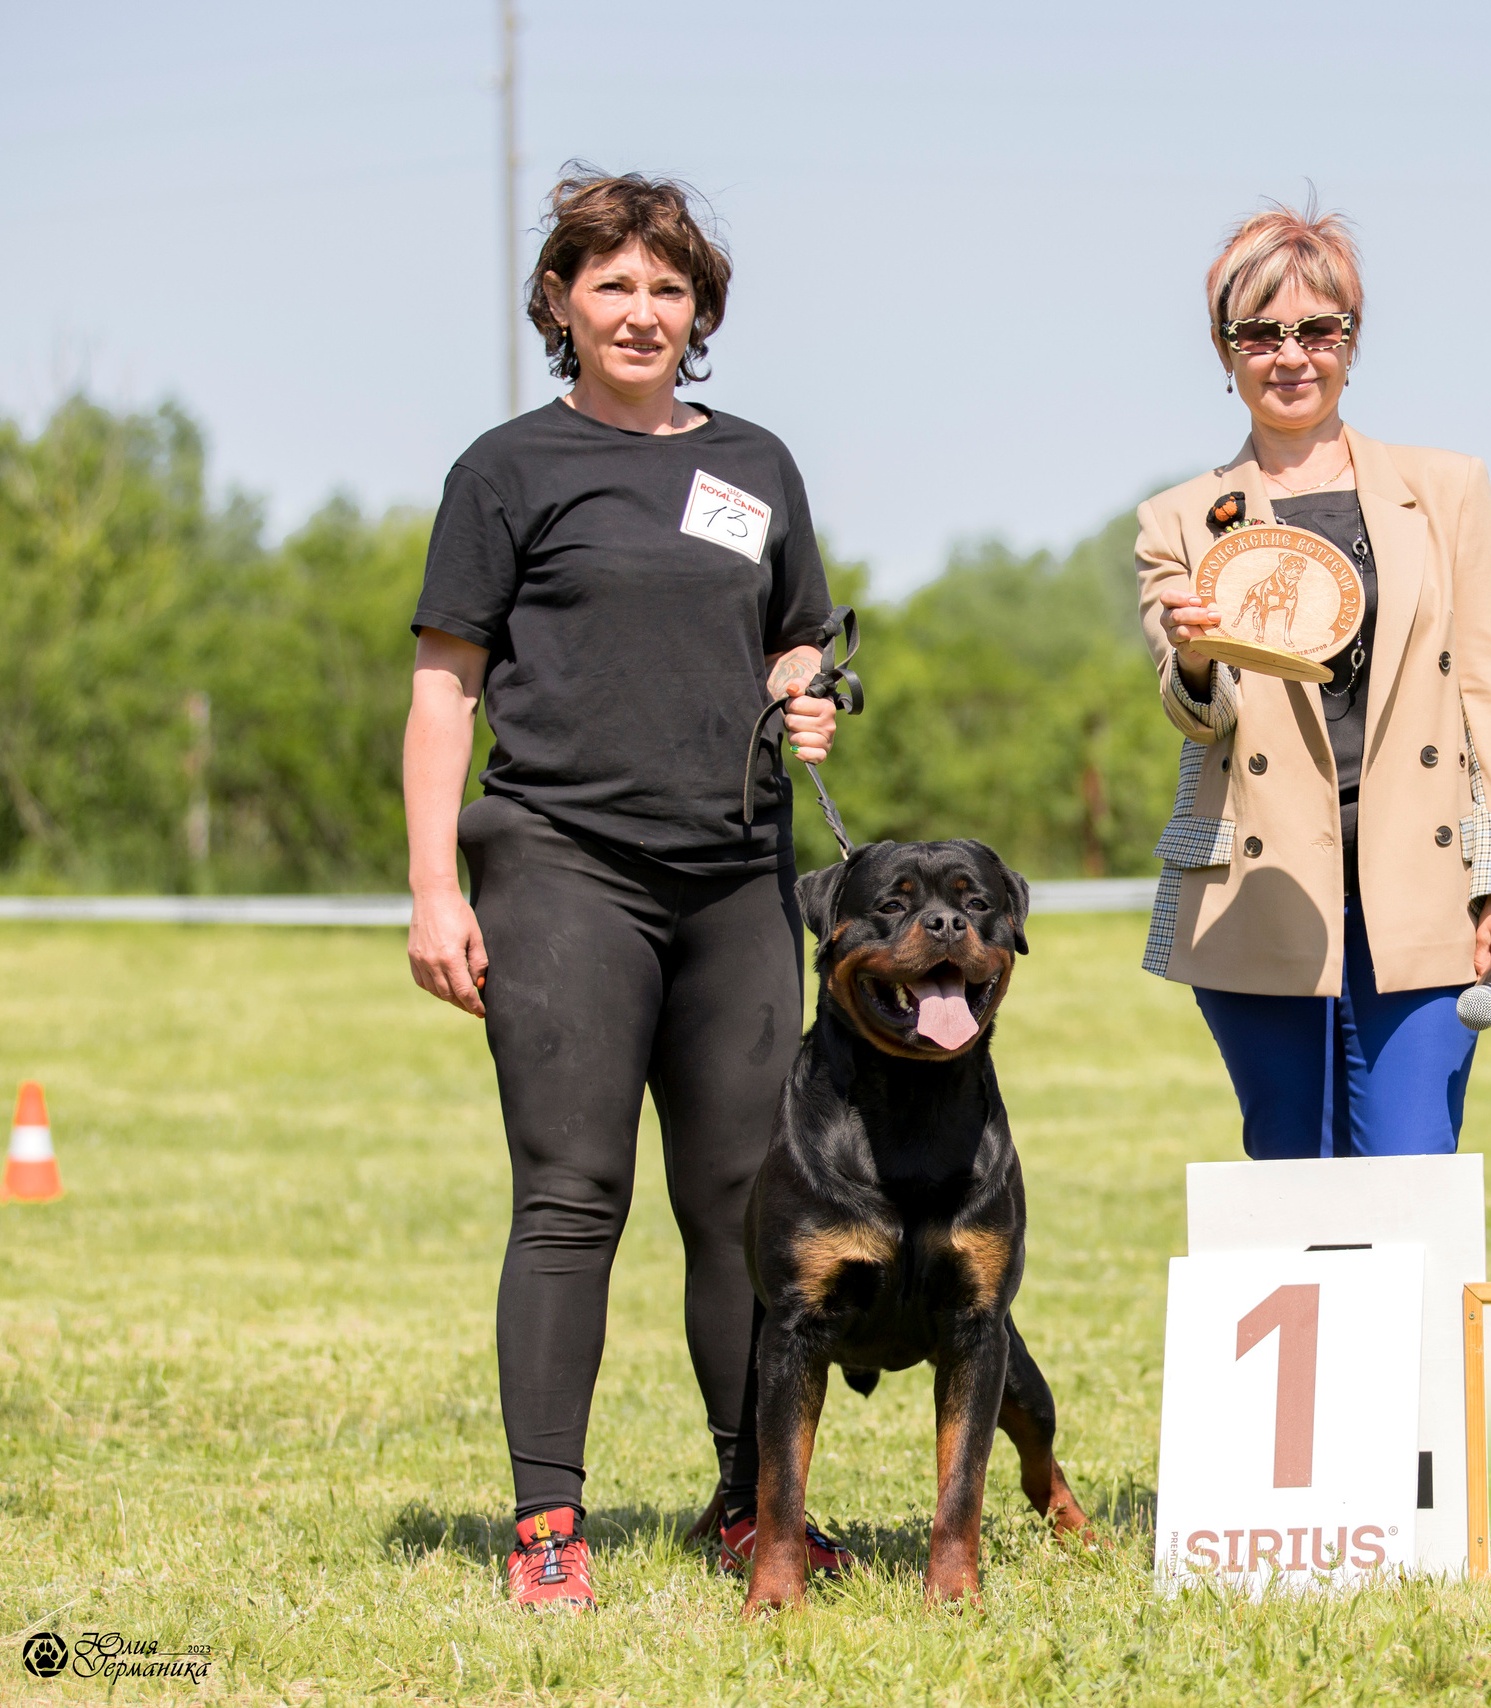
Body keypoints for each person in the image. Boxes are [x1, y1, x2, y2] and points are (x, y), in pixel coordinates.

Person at [403, 170, 852, 1611]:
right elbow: (441, 691)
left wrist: (808, 693)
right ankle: (547, 1526)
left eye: (668, 288)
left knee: (742, 1202)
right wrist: (432, 887)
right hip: (559, 867)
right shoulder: (507, 471)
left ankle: (750, 1505)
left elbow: (797, 642)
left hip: (736, 881)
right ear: (560, 303)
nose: (642, 311)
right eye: (613, 284)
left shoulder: (762, 465)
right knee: (571, 1195)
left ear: (700, 309)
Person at [1135, 201, 1491, 1159]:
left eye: (1319, 330)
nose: (1292, 356)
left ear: (1353, 344)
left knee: (1411, 1172)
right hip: (1257, 890)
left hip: (1429, 885)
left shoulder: (1449, 490)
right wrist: (1195, 656)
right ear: (1223, 349)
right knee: (1292, 1173)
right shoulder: (1180, 520)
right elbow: (1192, 711)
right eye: (1261, 333)